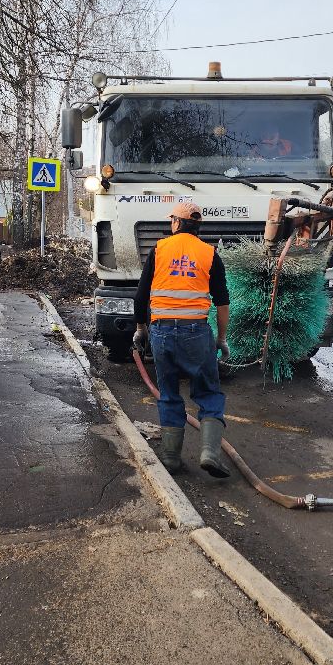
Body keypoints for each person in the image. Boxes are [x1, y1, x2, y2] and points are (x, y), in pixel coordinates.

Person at [132, 202, 231, 478]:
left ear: (176, 223)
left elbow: (141, 296)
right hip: (196, 333)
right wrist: (221, 339)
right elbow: (222, 302)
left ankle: (171, 458)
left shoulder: (159, 249)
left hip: (161, 332)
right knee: (209, 392)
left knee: (169, 393)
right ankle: (210, 453)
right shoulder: (210, 253)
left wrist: (141, 329)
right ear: (198, 226)